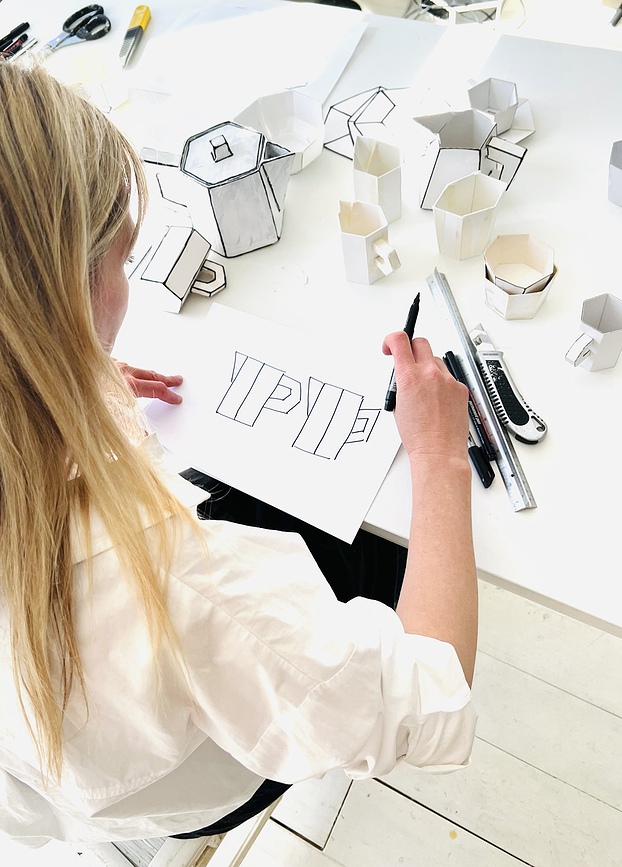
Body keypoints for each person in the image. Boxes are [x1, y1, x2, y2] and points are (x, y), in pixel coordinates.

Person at [0, 61, 478, 849]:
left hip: (68, 782)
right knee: (387, 538)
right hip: (200, 776)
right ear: (64, 299)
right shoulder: (180, 579)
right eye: (123, 259)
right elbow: (431, 703)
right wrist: (440, 458)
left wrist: (49, 394)